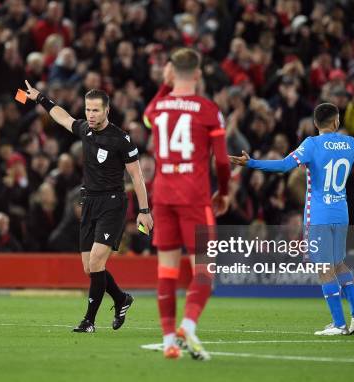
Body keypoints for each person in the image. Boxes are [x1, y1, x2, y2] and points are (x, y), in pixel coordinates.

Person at [230, 103, 354, 336]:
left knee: (323, 267)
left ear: (315, 124)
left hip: (319, 215)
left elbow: (284, 166)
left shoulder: (312, 144)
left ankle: (339, 323)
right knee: (338, 263)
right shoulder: (350, 143)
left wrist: (252, 163)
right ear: (337, 122)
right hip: (341, 213)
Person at [23, 80, 153, 333]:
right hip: (89, 202)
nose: (90, 115)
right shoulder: (85, 129)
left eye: (95, 110)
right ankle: (121, 298)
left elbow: (137, 176)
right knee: (90, 267)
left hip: (113, 205)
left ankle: (89, 321)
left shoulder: (121, 139)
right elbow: (62, 117)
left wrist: (144, 211)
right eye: (87, 110)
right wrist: (40, 98)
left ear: (107, 111)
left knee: (95, 263)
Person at [143, 48, 230, 360]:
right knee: (205, 269)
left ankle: (169, 341)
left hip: (163, 195)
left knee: (165, 270)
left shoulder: (158, 108)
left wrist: (165, 86)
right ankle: (189, 325)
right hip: (194, 195)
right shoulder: (208, 110)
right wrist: (226, 191)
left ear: (171, 73)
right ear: (197, 74)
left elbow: (148, 114)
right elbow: (221, 160)